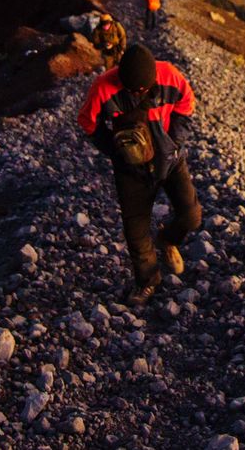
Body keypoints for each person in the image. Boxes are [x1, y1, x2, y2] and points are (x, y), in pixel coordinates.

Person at [77, 45, 201, 306]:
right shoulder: (103, 87)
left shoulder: (169, 75)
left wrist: (174, 144)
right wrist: (116, 152)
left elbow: (187, 104)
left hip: (170, 159)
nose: (138, 94)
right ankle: (148, 280)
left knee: (191, 216)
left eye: (143, 90)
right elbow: (87, 122)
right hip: (131, 169)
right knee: (136, 231)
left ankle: (168, 239)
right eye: (133, 91)